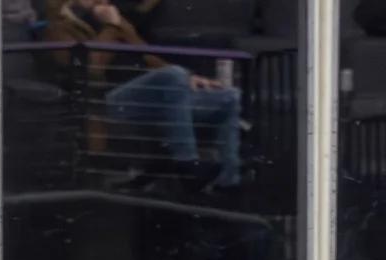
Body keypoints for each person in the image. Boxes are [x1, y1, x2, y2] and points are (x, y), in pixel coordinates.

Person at [42, 0, 244, 192]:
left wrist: (189, 77)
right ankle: (187, 164)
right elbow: (89, 69)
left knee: (228, 96)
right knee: (173, 75)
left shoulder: (114, 19)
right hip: (104, 103)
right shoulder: (59, 30)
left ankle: (229, 181)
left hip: (147, 96)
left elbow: (147, 54)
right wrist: (111, 27)